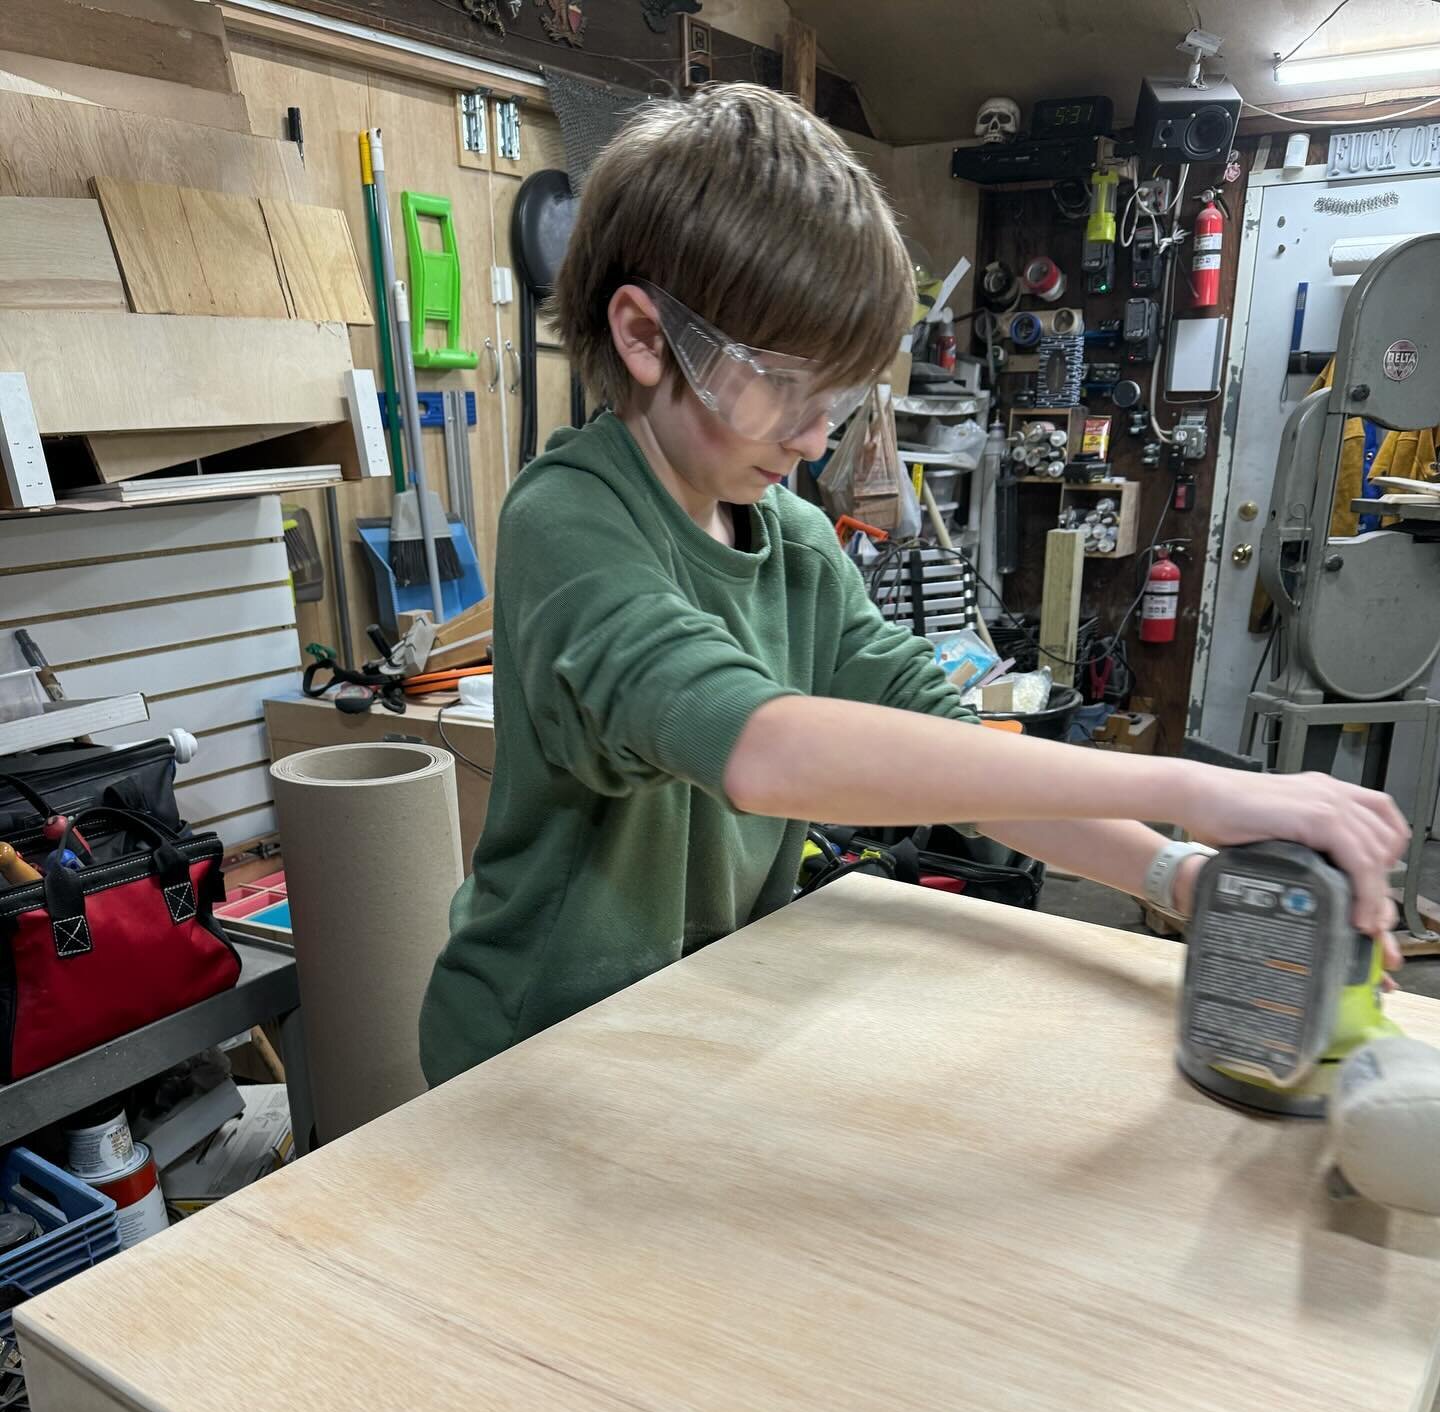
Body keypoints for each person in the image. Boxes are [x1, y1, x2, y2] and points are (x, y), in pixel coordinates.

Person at [419, 84, 1406, 1087]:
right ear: (644, 336)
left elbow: (956, 762)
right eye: (783, 389)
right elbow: (763, 749)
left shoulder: (797, 540)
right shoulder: (571, 520)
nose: (815, 439)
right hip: (529, 1052)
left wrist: (1179, 872)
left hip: (684, 1026)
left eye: (836, 399)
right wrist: (1198, 787)